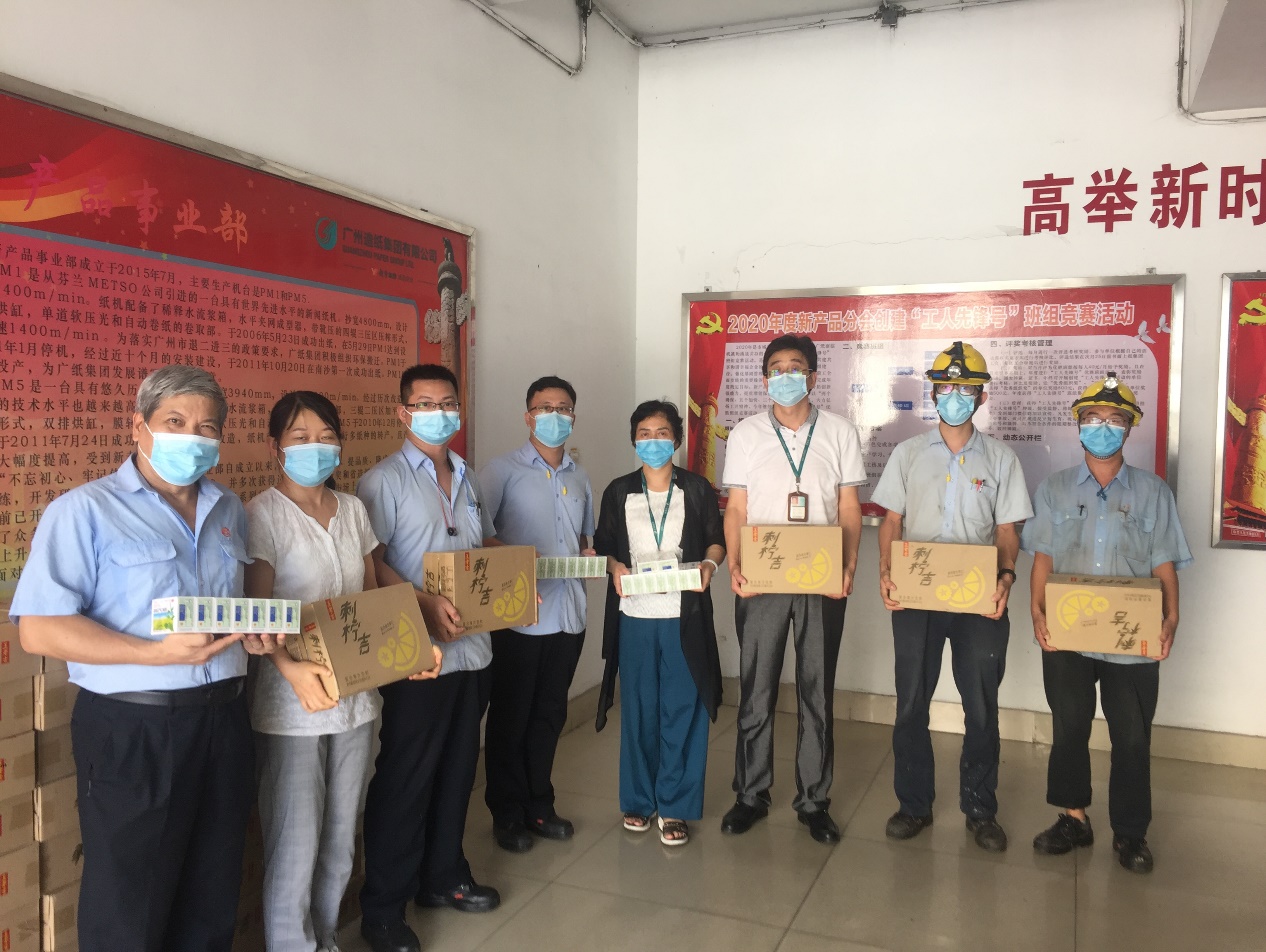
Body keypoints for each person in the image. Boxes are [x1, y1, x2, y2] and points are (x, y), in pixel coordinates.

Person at [10, 364, 279, 952]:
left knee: (213, 890)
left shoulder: (229, 509)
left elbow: (227, 608)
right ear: (139, 427)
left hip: (225, 719)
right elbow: (39, 629)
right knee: (130, 903)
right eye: (175, 422)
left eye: (207, 428)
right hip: (135, 727)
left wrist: (252, 635)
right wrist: (153, 654)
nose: (193, 437)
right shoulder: (83, 511)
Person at [244, 391, 443, 952]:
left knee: (339, 838)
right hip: (294, 702)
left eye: (326, 436)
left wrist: (415, 647)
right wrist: (290, 669)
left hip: (357, 697)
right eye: (300, 437)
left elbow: (375, 595)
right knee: (295, 842)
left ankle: (326, 939)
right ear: (275, 448)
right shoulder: (262, 515)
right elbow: (258, 616)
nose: (316, 447)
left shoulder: (353, 510)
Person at [356, 364, 499, 952]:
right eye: (424, 404)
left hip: (474, 650)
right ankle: (383, 909)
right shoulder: (382, 482)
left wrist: (513, 581)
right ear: (403, 412)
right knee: (406, 778)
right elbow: (373, 565)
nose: (438, 413)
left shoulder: (467, 475)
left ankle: (444, 875)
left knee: (459, 769)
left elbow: (482, 546)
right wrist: (422, 602)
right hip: (417, 655)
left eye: (447, 403)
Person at [1022, 373, 1191, 874]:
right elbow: (1043, 559)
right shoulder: (1054, 488)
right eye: (1093, 418)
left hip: (1131, 639)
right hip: (1068, 633)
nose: (1102, 428)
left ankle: (1131, 833)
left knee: (1132, 737)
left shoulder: (1153, 492)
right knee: (1069, 727)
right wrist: (1037, 611)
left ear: (1129, 429)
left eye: (1114, 420)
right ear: (1078, 425)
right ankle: (1073, 818)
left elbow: (1164, 563)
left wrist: (1172, 616)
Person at [871, 341, 1033, 853]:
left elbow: (1007, 529)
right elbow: (891, 521)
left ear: (981, 396)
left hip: (978, 599)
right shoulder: (908, 454)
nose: (955, 397)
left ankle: (981, 809)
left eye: (966, 389)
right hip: (916, 596)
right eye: (946, 387)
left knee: (981, 705)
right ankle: (913, 804)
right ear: (933, 394)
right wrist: (886, 570)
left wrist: (1005, 577)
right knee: (911, 702)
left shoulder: (1002, 458)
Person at [720, 335, 865, 845]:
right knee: (756, 688)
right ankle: (751, 794)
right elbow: (736, 508)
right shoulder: (745, 434)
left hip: (821, 578)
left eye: (795, 367)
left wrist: (849, 564)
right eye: (776, 368)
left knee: (816, 691)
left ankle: (814, 801)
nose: (785, 376)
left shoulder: (840, 432)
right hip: (762, 577)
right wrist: (735, 562)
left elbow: (849, 507)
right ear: (765, 379)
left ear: (813, 376)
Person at [593, 400, 726, 847]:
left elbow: (716, 540)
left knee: (683, 709)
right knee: (638, 709)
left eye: (662, 433)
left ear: (678, 439)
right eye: (644, 434)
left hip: (683, 616)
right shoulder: (618, 491)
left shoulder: (697, 488)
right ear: (634, 440)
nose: (653, 441)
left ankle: (675, 805)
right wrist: (613, 566)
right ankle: (638, 800)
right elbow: (604, 545)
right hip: (635, 616)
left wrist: (709, 565)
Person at [479, 376, 595, 852]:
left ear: (573, 417)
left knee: (549, 714)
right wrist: (517, 566)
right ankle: (507, 813)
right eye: (544, 407)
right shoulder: (499, 471)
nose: (554, 415)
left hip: (568, 614)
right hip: (519, 618)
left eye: (563, 408)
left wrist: (590, 557)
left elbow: (584, 539)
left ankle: (540, 805)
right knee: (511, 717)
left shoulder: (579, 475)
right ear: (528, 416)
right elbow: (479, 537)